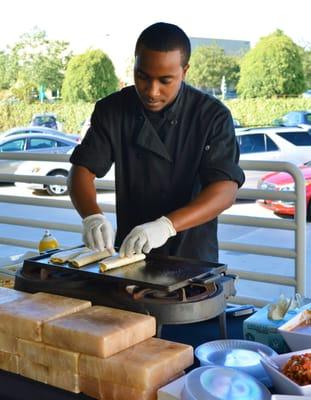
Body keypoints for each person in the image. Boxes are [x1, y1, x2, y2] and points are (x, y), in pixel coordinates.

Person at [68, 22, 245, 263]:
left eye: (165, 80)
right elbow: (82, 170)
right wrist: (92, 216)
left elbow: (225, 190)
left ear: (185, 70)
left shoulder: (212, 115)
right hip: (130, 256)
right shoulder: (113, 110)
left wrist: (167, 226)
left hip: (192, 258)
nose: (152, 91)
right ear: (135, 65)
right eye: (142, 76)